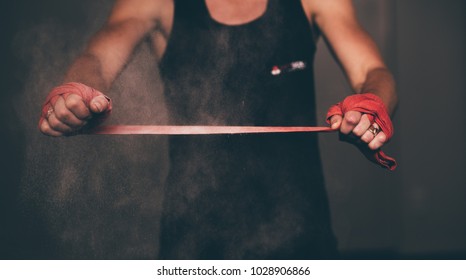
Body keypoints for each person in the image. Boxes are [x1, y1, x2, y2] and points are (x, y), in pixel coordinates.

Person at [39, 0, 398, 259]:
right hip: (194, 239)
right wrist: (77, 89)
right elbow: (98, 58)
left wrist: (373, 103)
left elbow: (372, 71)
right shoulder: (155, 2)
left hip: (302, 230)